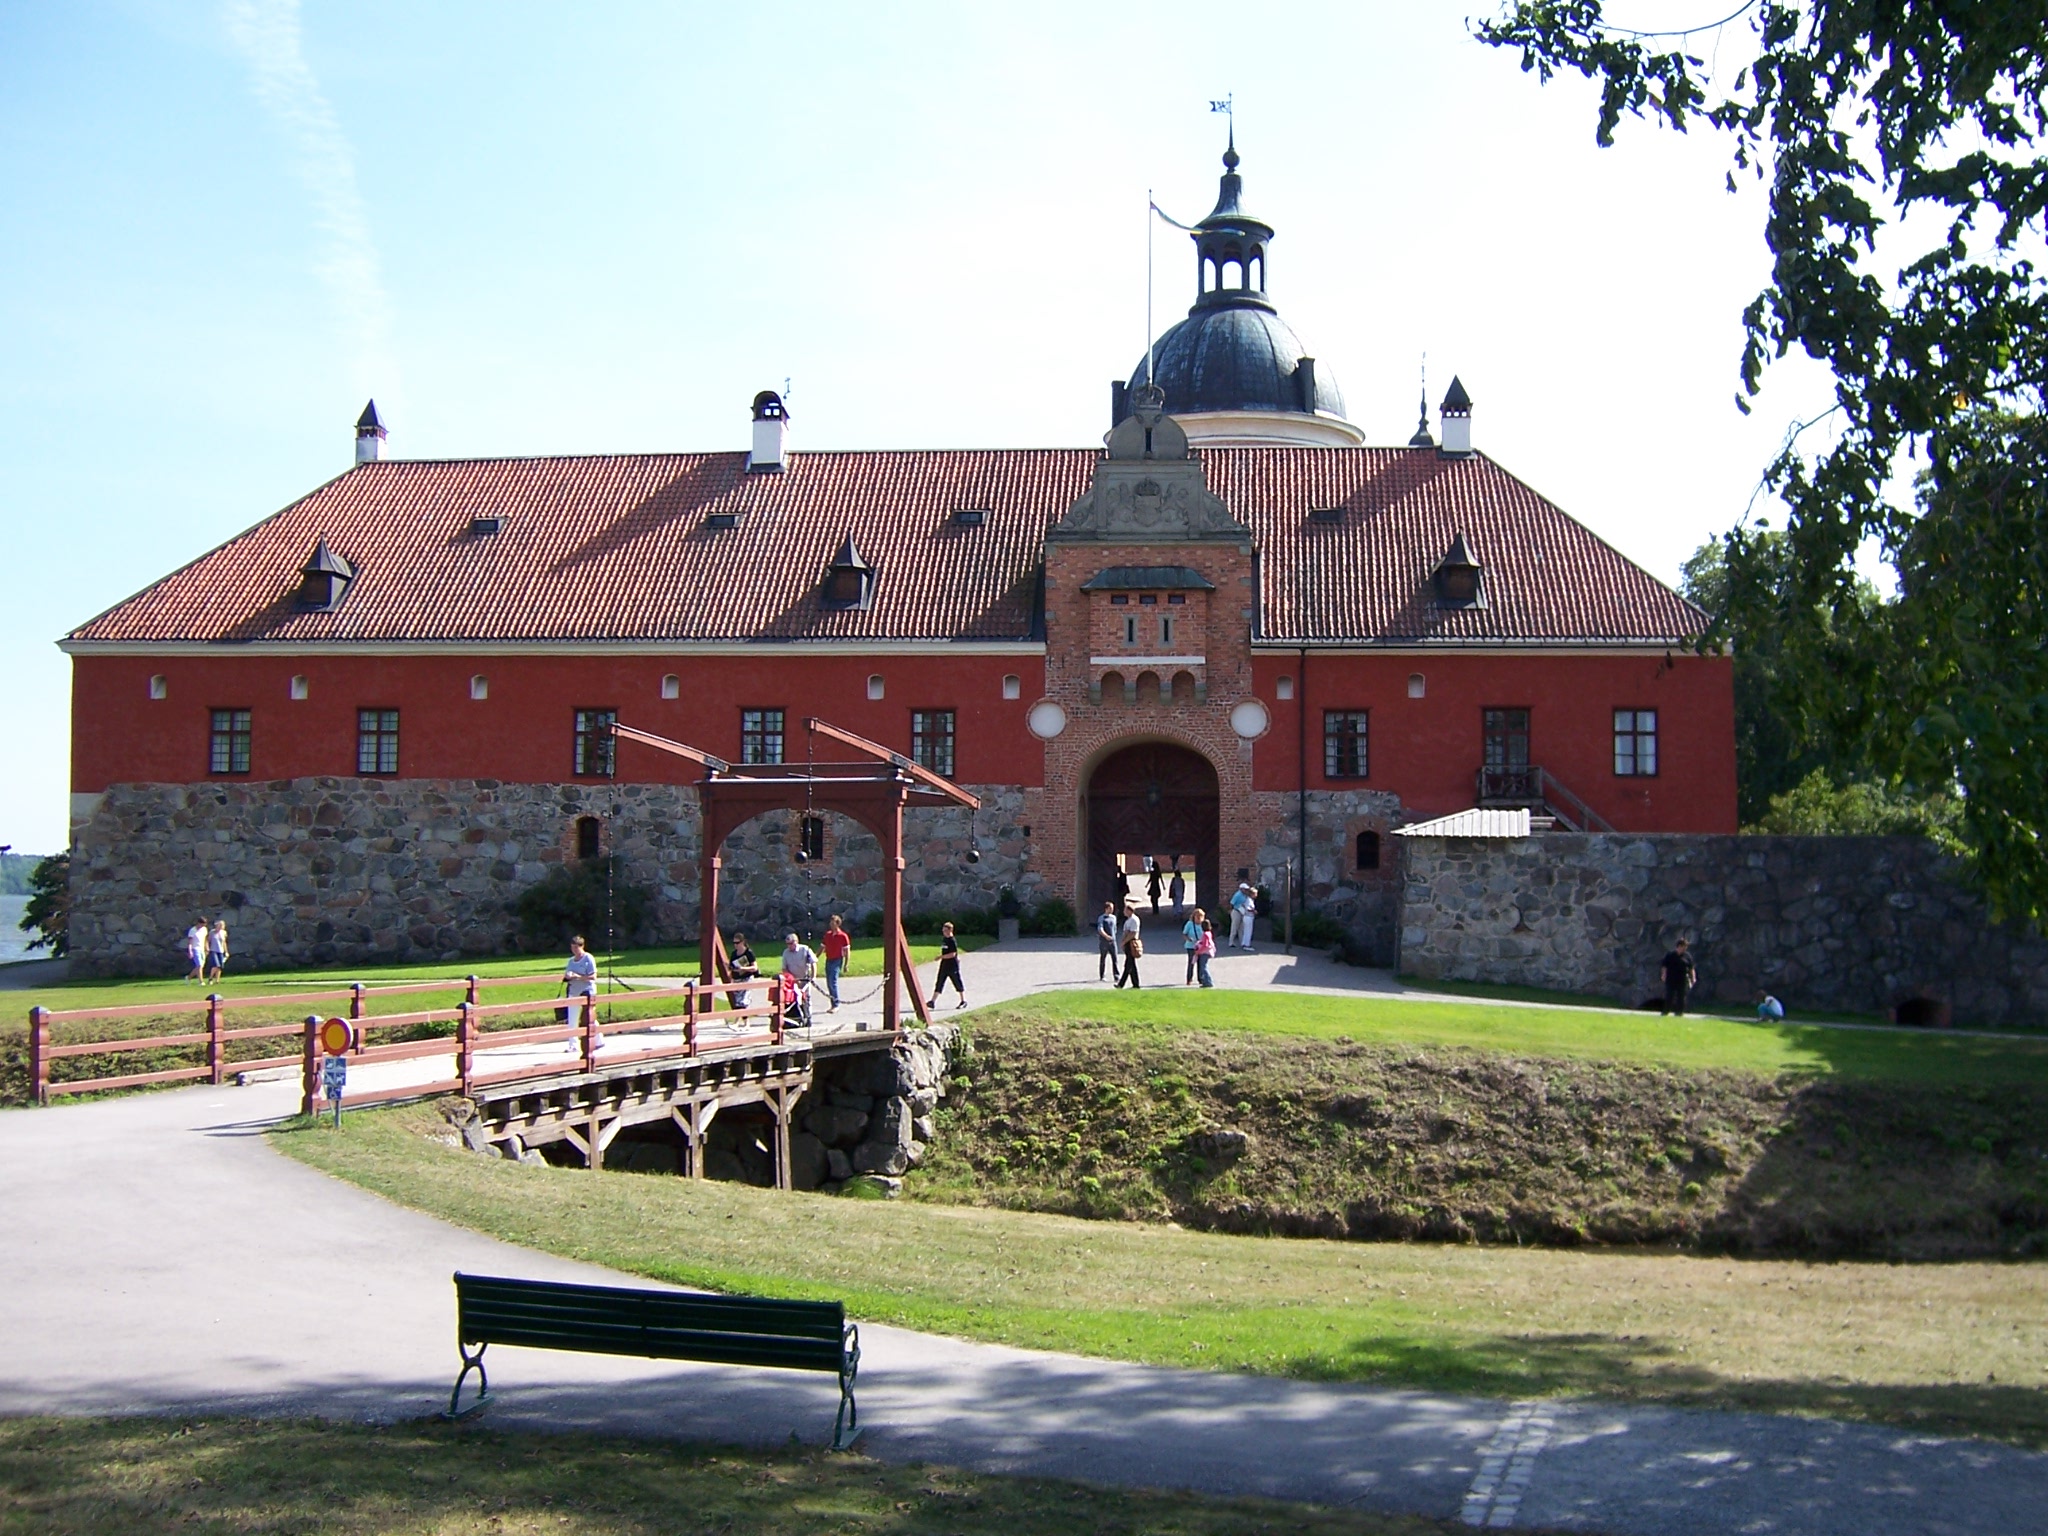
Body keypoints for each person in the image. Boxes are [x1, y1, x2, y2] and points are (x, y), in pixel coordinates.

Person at [563, 934, 601, 1050]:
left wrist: (578, 977)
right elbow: (567, 974)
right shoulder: (571, 961)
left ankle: (599, 1039)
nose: (574, 950)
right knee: (572, 1019)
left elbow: (593, 976)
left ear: (582, 946)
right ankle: (573, 1044)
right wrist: (568, 976)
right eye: (572, 948)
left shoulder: (588, 958)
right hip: (574, 991)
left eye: (576, 948)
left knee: (588, 1018)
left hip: (587, 990)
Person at [780, 932, 817, 1027]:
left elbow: (813, 963)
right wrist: (792, 979)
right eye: (787, 944)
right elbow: (784, 968)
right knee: (795, 999)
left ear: (796, 942)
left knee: (807, 999)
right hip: (794, 980)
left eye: (791, 943)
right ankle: (798, 1017)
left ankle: (808, 1018)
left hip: (805, 978)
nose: (789, 946)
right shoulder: (786, 953)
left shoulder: (805, 949)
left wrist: (813, 977)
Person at [929, 921, 967, 1009]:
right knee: (939, 982)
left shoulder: (952, 940)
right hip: (944, 965)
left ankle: (963, 1000)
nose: (944, 932)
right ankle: (932, 1001)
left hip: (952, 965)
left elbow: (953, 954)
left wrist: (941, 957)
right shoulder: (944, 939)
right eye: (943, 930)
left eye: (945, 930)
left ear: (950, 930)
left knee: (957, 982)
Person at [820, 914, 853, 1012]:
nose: (831, 924)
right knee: (829, 983)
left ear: (837, 924)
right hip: (828, 959)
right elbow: (822, 947)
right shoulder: (828, 935)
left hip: (837, 960)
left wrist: (846, 964)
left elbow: (847, 951)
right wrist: (815, 957)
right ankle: (833, 1003)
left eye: (833, 922)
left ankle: (836, 1004)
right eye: (830, 922)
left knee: (832, 981)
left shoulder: (843, 936)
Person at [1660, 938, 1697, 1016]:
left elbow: (1691, 968)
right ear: (1679, 946)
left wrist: (1693, 978)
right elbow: (1664, 966)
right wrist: (1664, 975)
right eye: (1683, 947)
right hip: (1671, 979)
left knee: (1681, 997)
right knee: (1669, 996)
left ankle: (1679, 1013)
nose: (1684, 949)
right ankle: (1665, 1012)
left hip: (1682, 980)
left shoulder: (1687, 956)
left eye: (1685, 947)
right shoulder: (1670, 955)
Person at [728, 931, 759, 1010]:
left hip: (747, 978)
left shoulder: (749, 953)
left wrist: (743, 969)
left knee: (744, 1001)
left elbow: (755, 968)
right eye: (734, 943)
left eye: (737, 943)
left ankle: (745, 1021)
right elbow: (731, 967)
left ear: (743, 942)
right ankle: (740, 1021)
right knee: (737, 1002)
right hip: (737, 979)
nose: (735, 945)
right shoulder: (734, 954)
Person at [1116, 903, 1143, 988]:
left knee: (1128, 964)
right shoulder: (1129, 920)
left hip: (1131, 942)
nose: (1124, 912)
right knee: (1131, 965)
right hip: (1127, 942)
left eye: (1125, 910)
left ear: (1129, 911)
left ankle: (1121, 984)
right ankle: (1135, 984)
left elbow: (1133, 933)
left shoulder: (1134, 920)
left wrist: (1124, 942)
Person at [1095, 901, 1121, 982]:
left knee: (1115, 958)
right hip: (1104, 942)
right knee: (1103, 958)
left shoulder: (1113, 917)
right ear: (1106, 909)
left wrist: (1113, 936)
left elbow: (1115, 928)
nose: (1112, 910)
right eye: (1110, 908)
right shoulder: (1102, 918)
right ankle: (1102, 975)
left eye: (1112, 908)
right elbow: (1100, 929)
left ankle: (1116, 975)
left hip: (1113, 941)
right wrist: (1106, 936)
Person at [1228, 880, 1257, 951]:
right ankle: (1231, 942)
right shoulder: (1237, 895)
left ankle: (1242, 942)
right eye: (1245, 889)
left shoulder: (1245, 895)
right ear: (1241, 889)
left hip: (1242, 912)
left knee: (1241, 928)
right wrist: (1230, 910)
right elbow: (1232, 903)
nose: (1246, 890)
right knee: (1234, 927)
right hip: (1236, 911)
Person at [1182, 906, 1204, 985]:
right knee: (1191, 962)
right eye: (1197, 917)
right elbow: (1184, 934)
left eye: (1200, 917)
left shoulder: (1203, 924)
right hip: (1191, 946)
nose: (1198, 919)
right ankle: (1189, 979)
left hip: (1201, 947)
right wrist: (1188, 939)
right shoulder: (1189, 924)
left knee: (1200, 963)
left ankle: (1201, 978)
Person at [205, 917, 230, 984]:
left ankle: (217, 980)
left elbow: (224, 942)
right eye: (220, 925)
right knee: (216, 965)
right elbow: (207, 940)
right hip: (214, 950)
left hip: (221, 950)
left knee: (220, 966)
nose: (221, 927)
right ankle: (210, 978)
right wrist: (207, 948)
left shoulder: (224, 933)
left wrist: (226, 951)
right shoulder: (212, 932)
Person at [1194, 917, 1217, 987]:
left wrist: (1198, 951)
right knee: (1203, 966)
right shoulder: (1209, 933)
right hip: (1207, 952)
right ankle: (1205, 981)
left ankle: (1208, 981)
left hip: (1205, 952)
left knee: (1203, 967)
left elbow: (1205, 945)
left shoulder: (1205, 934)